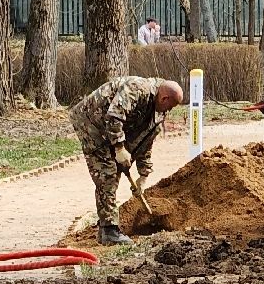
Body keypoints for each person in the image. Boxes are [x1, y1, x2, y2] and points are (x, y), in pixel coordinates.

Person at [69, 76, 185, 245]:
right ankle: (110, 230)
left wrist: (143, 175)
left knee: (113, 171)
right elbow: (114, 118)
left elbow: (145, 142)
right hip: (92, 123)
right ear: (164, 98)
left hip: (109, 130)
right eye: (171, 106)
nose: (170, 110)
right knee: (107, 174)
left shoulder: (157, 113)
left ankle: (105, 228)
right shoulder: (137, 88)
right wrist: (119, 148)